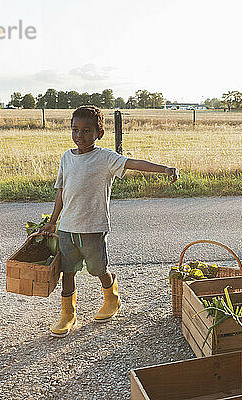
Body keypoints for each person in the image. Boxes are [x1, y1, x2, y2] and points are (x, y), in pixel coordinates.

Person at [40, 105, 178, 337]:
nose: (79, 136)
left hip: (93, 228)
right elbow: (61, 192)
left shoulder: (105, 158)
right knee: (68, 271)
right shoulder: (66, 157)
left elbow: (133, 163)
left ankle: (111, 299)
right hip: (66, 229)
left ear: (99, 133)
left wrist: (165, 169)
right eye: (75, 130)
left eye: (86, 131)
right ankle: (67, 314)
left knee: (97, 269)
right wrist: (53, 222)